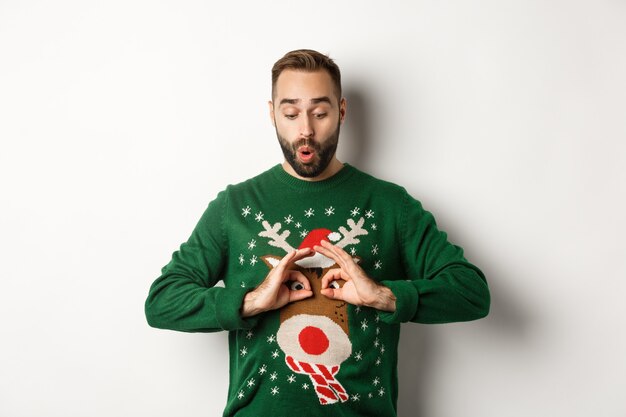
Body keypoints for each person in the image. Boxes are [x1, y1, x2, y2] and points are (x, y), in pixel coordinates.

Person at [145, 49, 490, 417]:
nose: (305, 129)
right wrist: (251, 302)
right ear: (272, 114)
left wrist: (385, 296)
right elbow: (163, 301)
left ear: (341, 111)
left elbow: (471, 293)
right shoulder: (235, 206)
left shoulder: (392, 206)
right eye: (291, 113)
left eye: (320, 113)